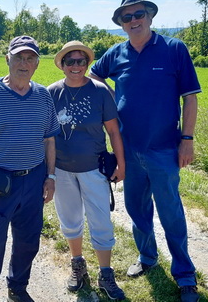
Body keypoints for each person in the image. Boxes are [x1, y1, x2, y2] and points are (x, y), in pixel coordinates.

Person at [89, 0, 202, 302]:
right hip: (128, 149)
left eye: (139, 14)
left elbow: (190, 97)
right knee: (137, 210)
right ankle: (148, 257)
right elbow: (93, 79)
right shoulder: (115, 54)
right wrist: (112, 102)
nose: (134, 20)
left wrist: (187, 140)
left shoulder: (174, 49)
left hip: (165, 149)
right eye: (128, 17)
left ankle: (185, 274)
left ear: (150, 17)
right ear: (121, 24)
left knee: (171, 213)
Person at [0, 35, 60, 302]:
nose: (24, 63)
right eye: (18, 57)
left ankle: (17, 287)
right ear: (7, 59)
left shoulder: (43, 96)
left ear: (37, 64)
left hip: (34, 181)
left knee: (28, 242)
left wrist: (50, 177)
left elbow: (50, 139)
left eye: (30, 58)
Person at [47, 41, 126, 301]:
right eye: (71, 61)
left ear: (87, 64)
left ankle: (105, 273)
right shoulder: (51, 93)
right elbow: (45, 136)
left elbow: (114, 131)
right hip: (62, 170)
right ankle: (78, 265)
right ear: (62, 65)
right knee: (70, 220)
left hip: (94, 169)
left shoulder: (100, 91)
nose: (76, 66)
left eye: (82, 61)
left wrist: (122, 164)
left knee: (101, 221)